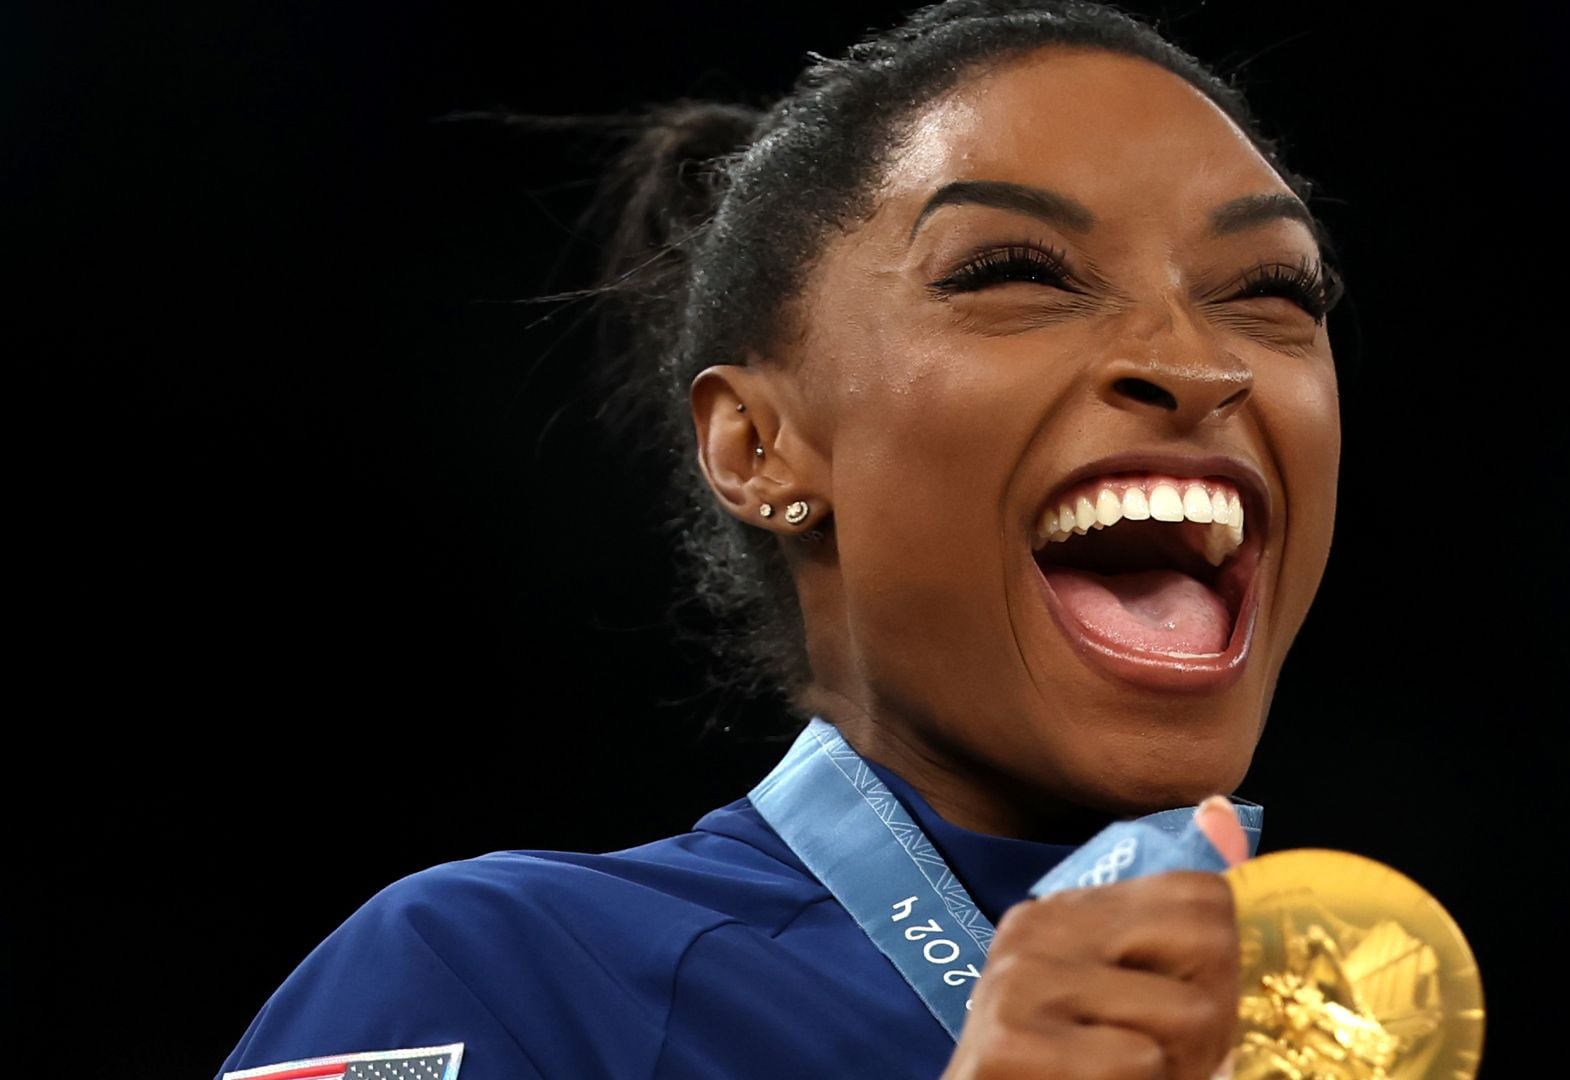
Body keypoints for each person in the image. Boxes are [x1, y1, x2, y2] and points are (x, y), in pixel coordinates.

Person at [217, 1, 1343, 1077]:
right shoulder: (498, 975)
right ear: (760, 446)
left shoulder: (1353, 1030)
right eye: (1018, 273)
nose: (1201, 364)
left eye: (1272, 292)